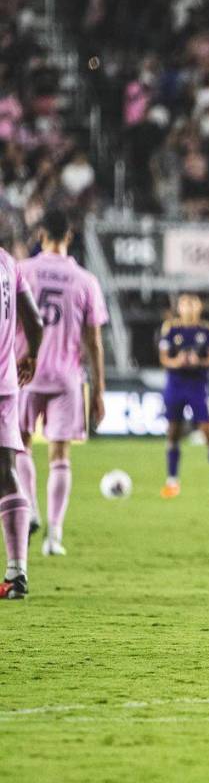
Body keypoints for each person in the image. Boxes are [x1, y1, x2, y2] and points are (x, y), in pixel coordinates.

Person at [16, 209, 108, 556]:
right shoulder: (85, 280)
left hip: (24, 372)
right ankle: (54, 536)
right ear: (69, 237)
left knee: (20, 445)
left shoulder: (21, 272)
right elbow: (94, 341)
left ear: (41, 235)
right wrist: (98, 390)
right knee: (60, 455)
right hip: (68, 377)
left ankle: (31, 511)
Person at [159, 294, 209, 499]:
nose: (188, 308)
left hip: (197, 386)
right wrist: (177, 362)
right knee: (173, 432)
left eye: (191, 304)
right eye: (184, 304)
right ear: (179, 307)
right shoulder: (170, 328)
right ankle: (172, 482)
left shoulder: (208, 329)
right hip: (175, 385)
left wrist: (199, 361)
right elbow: (164, 359)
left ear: (199, 307)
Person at [0, 222, 44, 599]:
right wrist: (30, 356)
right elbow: (36, 319)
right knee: (6, 472)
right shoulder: (8, 264)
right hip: (5, 384)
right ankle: (17, 574)